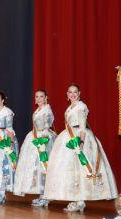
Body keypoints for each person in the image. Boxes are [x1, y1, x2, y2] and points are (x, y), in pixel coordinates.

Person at [43, 84, 118, 213]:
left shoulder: (81, 106)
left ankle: (80, 200)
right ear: (67, 94)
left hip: (79, 137)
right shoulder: (69, 108)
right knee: (71, 169)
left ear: (79, 93)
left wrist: (81, 142)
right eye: (70, 92)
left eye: (75, 92)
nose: (73, 94)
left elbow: (82, 126)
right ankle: (76, 197)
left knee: (81, 168)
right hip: (68, 136)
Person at [14, 90, 56, 206]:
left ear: (46, 97)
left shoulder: (47, 110)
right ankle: (42, 194)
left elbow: (47, 126)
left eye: (41, 96)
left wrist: (43, 140)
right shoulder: (38, 110)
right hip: (34, 136)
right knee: (36, 167)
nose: (38, 99)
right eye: (37, 97)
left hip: (43, 138)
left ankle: (45, 195)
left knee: (43, 165)